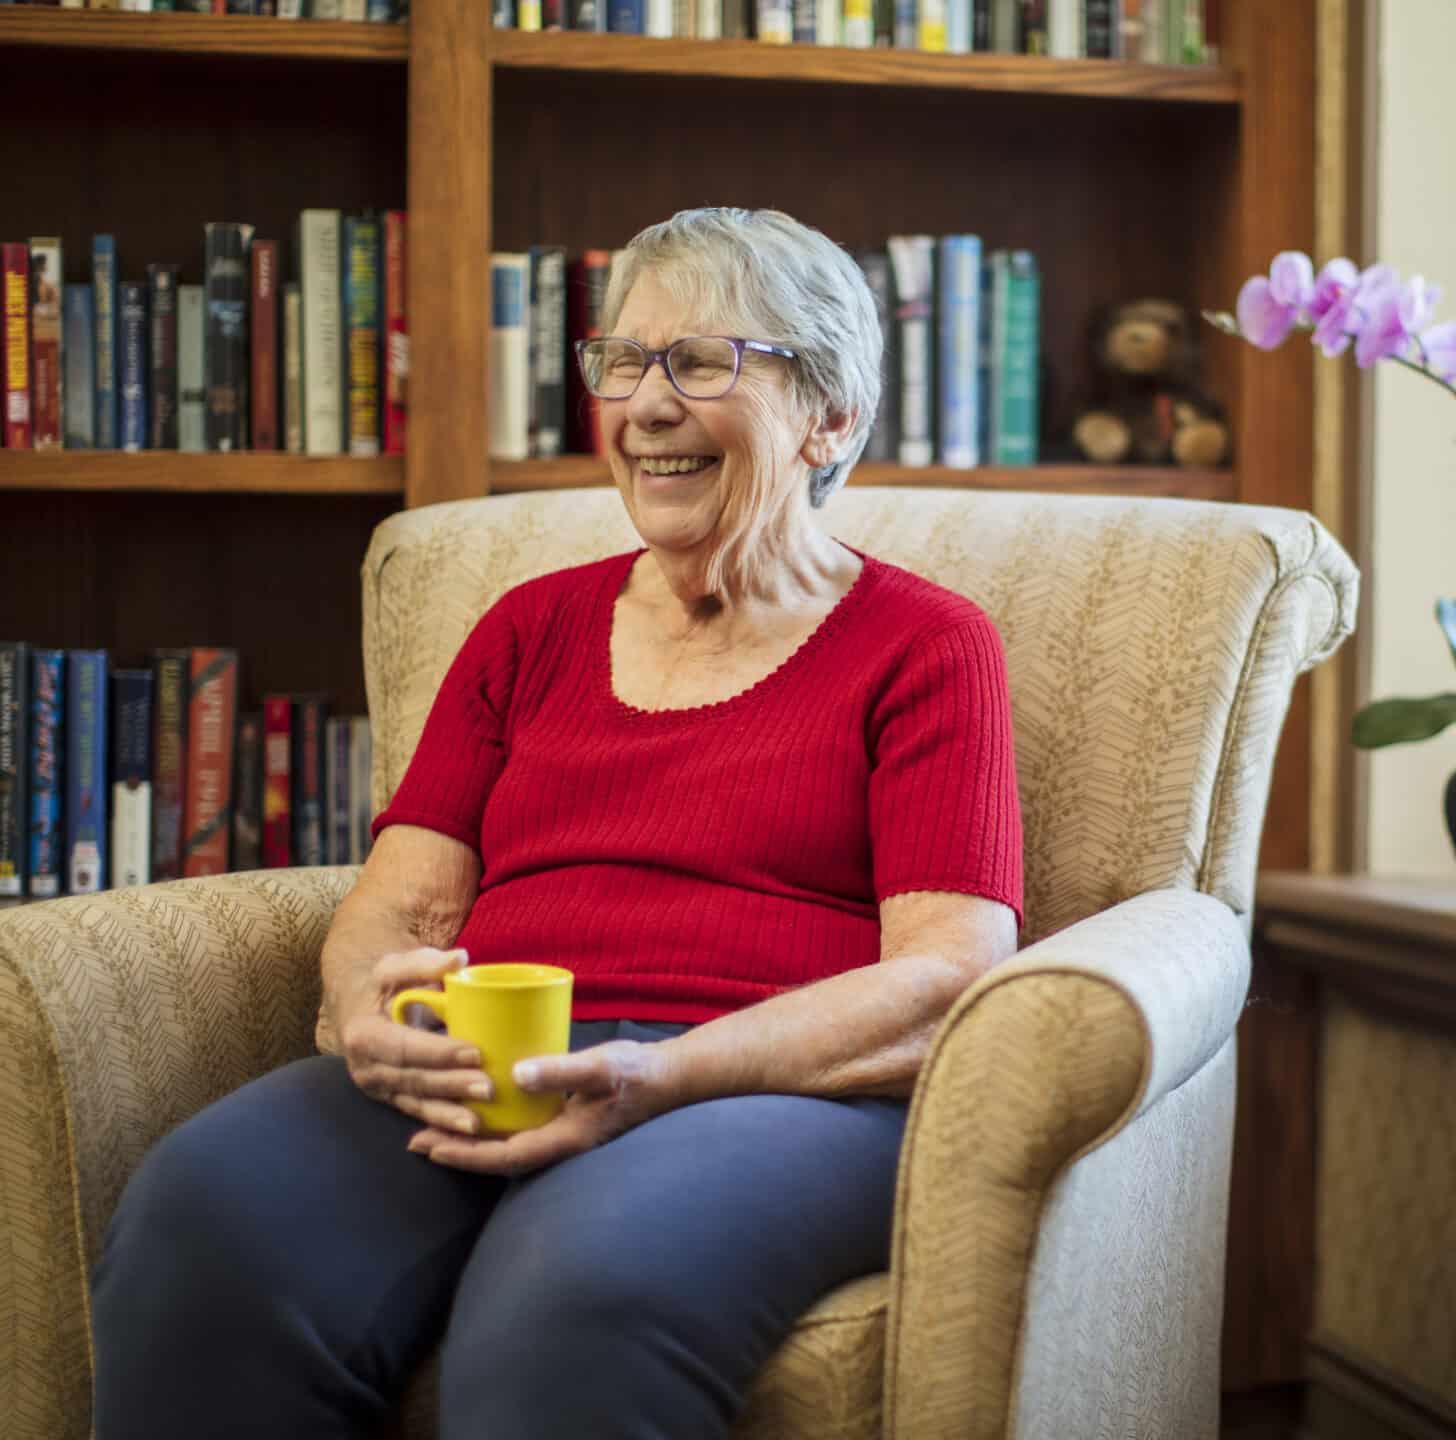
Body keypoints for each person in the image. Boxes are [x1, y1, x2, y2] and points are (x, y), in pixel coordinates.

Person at [90, 207, 1025, 1439]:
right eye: (623, 362)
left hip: (768, 1093)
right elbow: (401, 898)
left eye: (702, 362)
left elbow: (949, 973)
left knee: (574, 1293)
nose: (645, 405)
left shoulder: (925, 645)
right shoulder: (527, 630)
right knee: (202, 1216)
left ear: (831, 417)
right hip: (496, 1060)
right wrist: (369, 1011)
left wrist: (658, 1075)